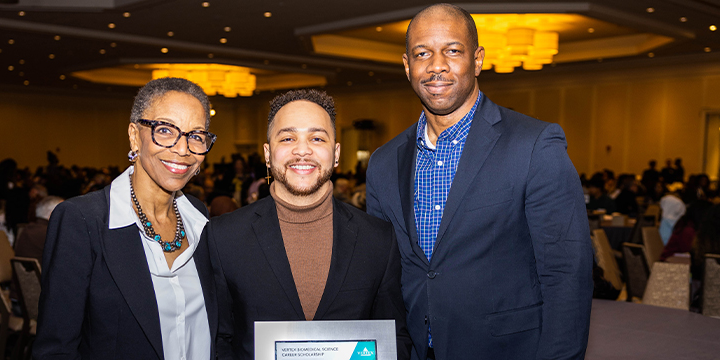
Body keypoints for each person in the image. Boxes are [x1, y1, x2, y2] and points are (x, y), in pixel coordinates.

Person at [365, 4, 592, 359]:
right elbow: (384, 277)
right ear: (408, 66)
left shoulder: (534, 145)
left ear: (478, 59)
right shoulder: (382, 163)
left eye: (453, 51)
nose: (436, 65)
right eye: (422, 53)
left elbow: (567, 275)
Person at [205, 89, 411, 360]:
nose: (302, 150)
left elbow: (394, 338)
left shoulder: (379, 239)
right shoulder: (224, 237)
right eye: (288, 138)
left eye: (316, 138)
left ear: (336, 153)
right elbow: (220, 341)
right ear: (267, 154)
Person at [34, 78, 218, 360]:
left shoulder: (199, 217)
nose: (183, 150)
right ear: (134, 135)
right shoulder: (82, 221)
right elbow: (56, 349)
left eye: (195, 136)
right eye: (165, 130)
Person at [14, 196, 63, 264]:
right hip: (41, 273)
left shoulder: (28, 228)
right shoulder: (49, 233)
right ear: (53, 214)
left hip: (24, 273)